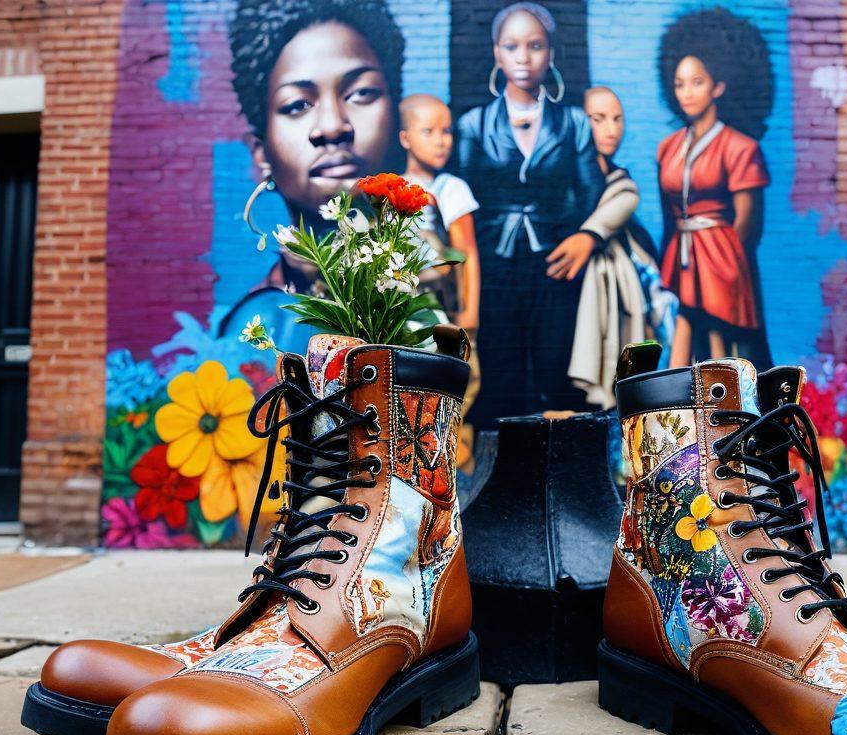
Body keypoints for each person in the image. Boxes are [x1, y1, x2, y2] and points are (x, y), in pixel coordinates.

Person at [218, 0, 406, 348]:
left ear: (399, 123)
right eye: (297, 105)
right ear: (261, 153)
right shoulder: (261, 325)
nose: (333, 126)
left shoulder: (429, 283)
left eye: (361, 93)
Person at [452, 1, 605, 425]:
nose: (523, 56)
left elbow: (592, 191)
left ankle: (558, 476)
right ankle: (502, 479)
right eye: (512, 46)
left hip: (557, 266)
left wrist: (579, 236)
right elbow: (462, 198)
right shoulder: (473, 125)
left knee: (556, 371)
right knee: (501, 376)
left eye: (535, 45)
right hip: (494, 268)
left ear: (550, 53)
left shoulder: (573, 123)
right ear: (497, 53)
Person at [656, 9, 773, 370]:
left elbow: (747, 226)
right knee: (685, 336)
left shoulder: (740, 147)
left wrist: (726, 269)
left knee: (726, 347)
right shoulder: (668, 147)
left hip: (724, 261)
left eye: (697, 82)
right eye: (679, 84)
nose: (686, 93)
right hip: (682, 255)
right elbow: (667, 217)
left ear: (718, 86)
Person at [569, 86, 677, 408]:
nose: (611, 129)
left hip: (625, 297)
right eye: (598, 119)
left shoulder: (622, 184)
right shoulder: (570, 180)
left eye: (618, 119)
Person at [400, 92, 483, 470]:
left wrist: (469, 311)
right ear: (405, 138)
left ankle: (455, 469)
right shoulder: (393, 187)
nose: (440, 139)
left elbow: (466, 252)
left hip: (443, 308)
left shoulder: (451, 188)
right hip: (405, 310)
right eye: (429, 130)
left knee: (458, 388)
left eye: (446, 131)